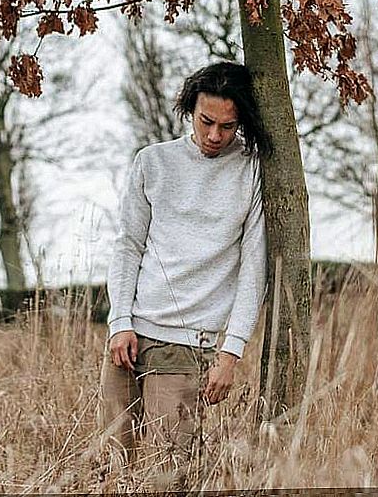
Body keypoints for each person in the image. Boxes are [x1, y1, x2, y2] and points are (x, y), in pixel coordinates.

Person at [99, 61, 270, 482]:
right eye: (206, 121)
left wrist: (231, 352)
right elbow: (128, 246)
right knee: (114, 468)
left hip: (188, 344)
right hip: (129, 337)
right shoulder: (152, 162)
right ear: (189, 111)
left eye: (228, 127)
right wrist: (119, 321)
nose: (214, 135)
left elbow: (254, 267)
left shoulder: (251, 171)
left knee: (171, 475)